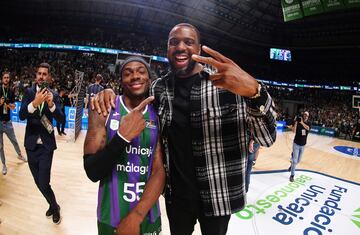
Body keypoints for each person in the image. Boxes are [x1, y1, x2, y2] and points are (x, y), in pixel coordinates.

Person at [93, 23, 276, 235]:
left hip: (218, 197)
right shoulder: (158, 88)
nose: (180, 47)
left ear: (198, 49)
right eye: (174, 42)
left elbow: (267, 138)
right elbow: (130, 98)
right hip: (176, 198)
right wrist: (106, 92)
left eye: (188, 42)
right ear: (167, 49)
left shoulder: (226, 83)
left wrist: (256, 92)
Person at [83, 57, 165, 235]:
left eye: (141, 72)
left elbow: (159, 171)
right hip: (110, 216)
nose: (135, 76)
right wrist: (122, 137)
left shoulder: (158, 113)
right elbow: (92, 172)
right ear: (120, 81)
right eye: (127, 73)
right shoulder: (104, 109)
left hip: (147, 214)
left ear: (149, 79)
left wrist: (136, 216)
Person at [19, 63, 64, 224]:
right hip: (30, 145)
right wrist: (34, 103)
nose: (41, 76)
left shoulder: (54, 95)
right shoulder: (29, 92)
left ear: (49, 77)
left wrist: (51, 105)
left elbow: (61, 119)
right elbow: (22, 114)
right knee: (38, 182)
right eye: (39, 73)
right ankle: (53, 205)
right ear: (35, 75)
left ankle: (55, 207)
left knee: (44, 182)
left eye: (45, 74)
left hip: (46, 146)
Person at [0, 72, 27, 175]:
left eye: (7, 78)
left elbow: (14, 106)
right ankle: (4, 165)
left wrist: (9, 105)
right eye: (4, 77)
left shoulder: (11, 91)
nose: (6, 79)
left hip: (7, 122)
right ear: (2, 79)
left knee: (14, 141)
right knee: (0, 146)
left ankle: (19, 155)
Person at [289, 111, 311, 182]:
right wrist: (296, 123)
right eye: (304, 115)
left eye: (307, 115)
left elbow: (307, 128)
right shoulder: (298, 122)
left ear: (308, 116)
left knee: (298, 160)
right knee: (295, 160)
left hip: (303, 145)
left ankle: (292, 165)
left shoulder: (309, 123)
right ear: (303, 115)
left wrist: (301, 123)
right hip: (296, 144)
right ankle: (292, 175)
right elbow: (293, 131)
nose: (305, 116)